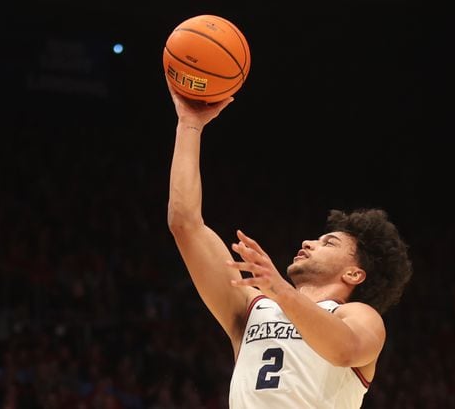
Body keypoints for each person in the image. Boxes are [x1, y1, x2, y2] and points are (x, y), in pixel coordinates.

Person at [165, 81, 414, 409]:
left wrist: (280, 290)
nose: (309, 242)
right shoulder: (250, 307)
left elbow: (345, 350)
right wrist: (189, 124)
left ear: (355, 274)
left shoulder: (358, 315)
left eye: (329, 242)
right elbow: (185, 223)